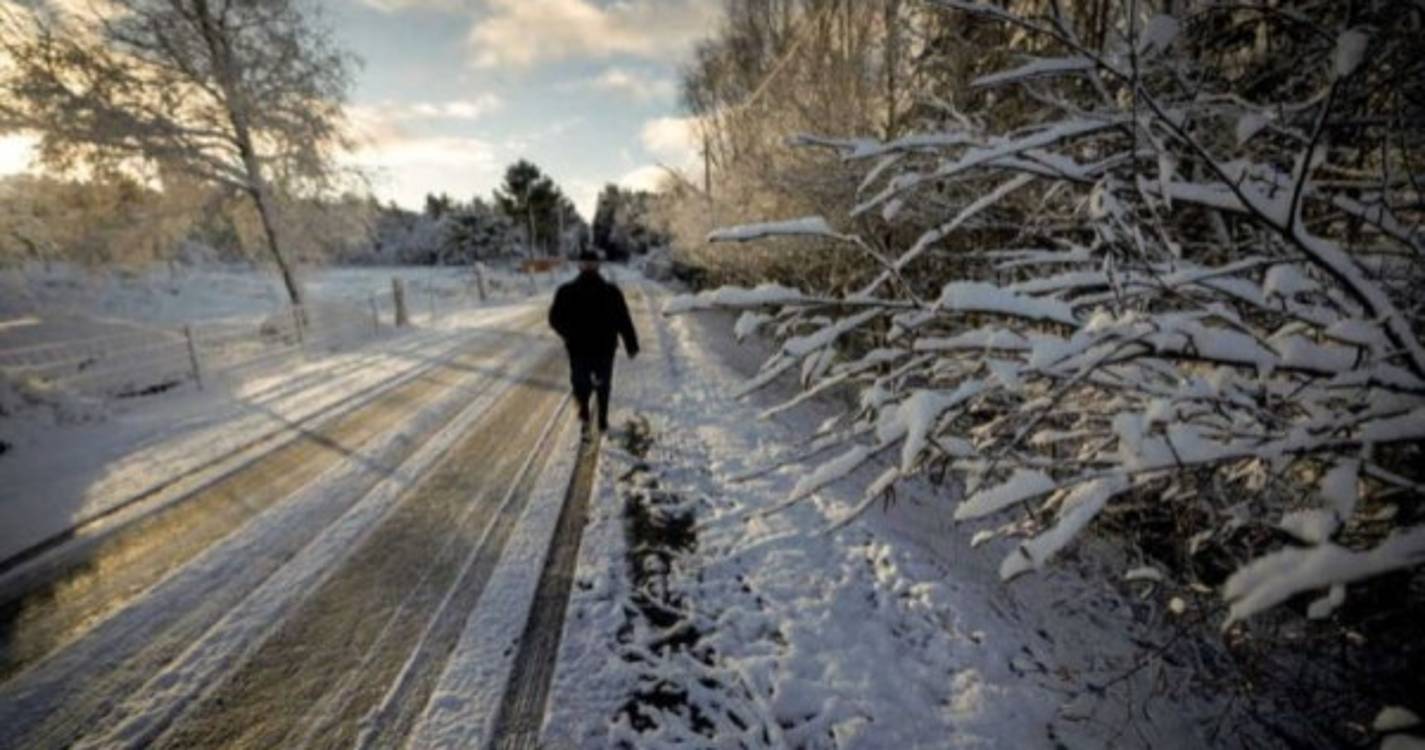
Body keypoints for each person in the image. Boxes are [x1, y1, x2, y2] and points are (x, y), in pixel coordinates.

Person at [548, 250, 639, 435]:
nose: (589, 267)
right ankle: (583, 408)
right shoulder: (566, 291)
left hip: (604, 347)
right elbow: (554, 318)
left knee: (604, 384)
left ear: (598, 266)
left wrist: (631, 343)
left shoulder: (611, 291)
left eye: (592, 264)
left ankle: (602, 420)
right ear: (579, 265)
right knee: (580, 382)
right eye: (585, 263)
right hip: (578, 347)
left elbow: (623, 318)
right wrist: (567, 334)